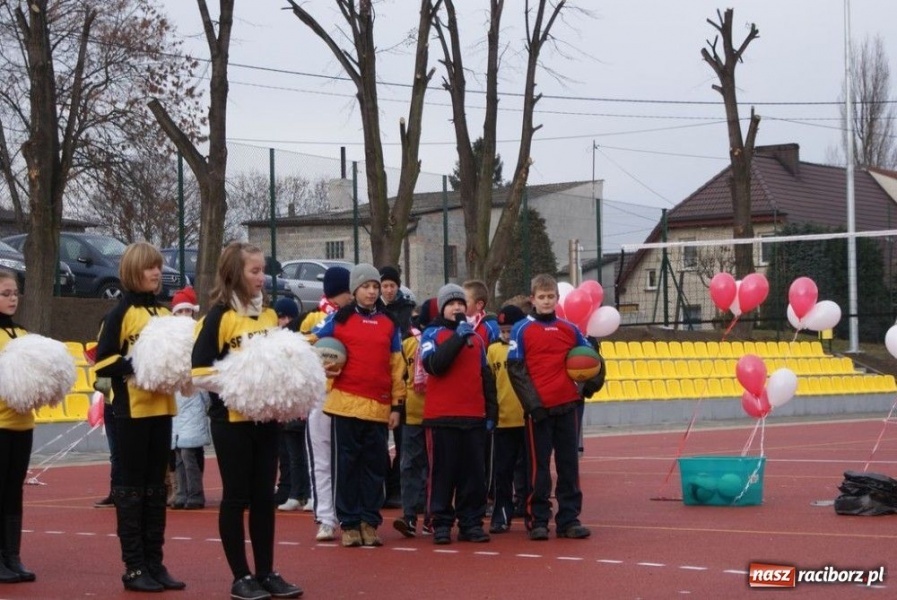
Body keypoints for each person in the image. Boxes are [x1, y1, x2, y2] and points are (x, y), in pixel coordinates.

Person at [192, 242, 302, 600]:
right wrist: (243, 383)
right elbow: (198, 372)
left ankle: (267, 571)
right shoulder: (219, 317)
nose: (262, 277)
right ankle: (241, 576)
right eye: (254, 271)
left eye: (262, 270)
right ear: (235, 274)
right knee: (236, 496)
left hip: (266, 421)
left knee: (263, 497)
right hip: (231, 421)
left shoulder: (269, 316)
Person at [94, 242, 185, 592]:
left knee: (155, 487)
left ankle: (155, 563)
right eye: (150, 267)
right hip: (130, 410)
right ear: (134, 271)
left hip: (163, 409)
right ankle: (133, 568)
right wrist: (140, 363)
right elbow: (103, 363)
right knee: (131, 490)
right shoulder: (118, 314)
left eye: (159, 267)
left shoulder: (165, 316)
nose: (157, 272)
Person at [311, 263, 404, 548]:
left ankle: (369, 521)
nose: (372, 291)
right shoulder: (338, 319)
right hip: (345, 406)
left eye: (376, 287)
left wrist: (397, 406)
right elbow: (313, 344)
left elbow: (396, 366)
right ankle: (349, 523)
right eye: (366, 287)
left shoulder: (390, 323)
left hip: (378, 407)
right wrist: (322, 366)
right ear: (355, 290)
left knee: (374, 467)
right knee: (347, 467)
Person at [506, 274, 603, 541]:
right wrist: (533, 405)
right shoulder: (521, 329)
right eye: (542, 297)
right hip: (539, 411)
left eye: (551, 297)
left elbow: (592, 360)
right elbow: (516, 370)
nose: (546, 301)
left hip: (567, 407)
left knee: (569, 465)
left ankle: (569, 519)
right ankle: (537, 519)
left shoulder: (570, 329)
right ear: (532, 299)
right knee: (538, 469)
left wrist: (589, 386)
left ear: (557, 300)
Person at [419, 284, 498, 545]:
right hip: (442, 418)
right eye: (452, 304)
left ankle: (471, 522)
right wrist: (456, 338)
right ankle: (440, 523)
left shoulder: (477, 340)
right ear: (443, 308)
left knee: (473, 475)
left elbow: (486, 379)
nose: (457, 308)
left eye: (461, 304)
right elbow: (435, 366)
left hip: (474, 417)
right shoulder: (431, 334)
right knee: (442, 474)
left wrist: (490, 414)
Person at [298, 266, 351, 542]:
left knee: (347, 460)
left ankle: (350, 516)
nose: (348, 298)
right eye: (344, 293)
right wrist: (316, 356)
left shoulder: (355, 318)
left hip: (348, 396)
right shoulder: (315, 319)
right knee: (320, 460)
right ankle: (326, 518)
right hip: (322, 396)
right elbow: (301, 345)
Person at [0, 270, 36, 584]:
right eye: (5, 293)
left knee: (14, 492)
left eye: (14, 293)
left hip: (23, 424)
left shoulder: (22, 334)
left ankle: (12, 556)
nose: (13, 298)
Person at [392, 298, 437, 538]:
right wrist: (397, 408)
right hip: (413, 413)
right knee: (409, 465)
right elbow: (400, 378)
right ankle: (409, 516)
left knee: (433, 468)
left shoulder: (442, 341)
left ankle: (431, 517)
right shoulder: (408, 344)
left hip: (436, 414)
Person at [486, 305, 527, 534]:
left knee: (530, 471)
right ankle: (502, 513)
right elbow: (490, 385)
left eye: (510, 330)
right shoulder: (492, 351)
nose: (506, 335)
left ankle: (530, 509)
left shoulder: (526, 348)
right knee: (502, 472)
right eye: (502, 330)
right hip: (503, 421)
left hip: (527, 419)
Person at [169, 288, 210, 511]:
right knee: (177, 452)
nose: (184, 314)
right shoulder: (168, 338)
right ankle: (182, 492)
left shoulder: (199, 333)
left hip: (193, 396)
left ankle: (195, 493)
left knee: (188, 451)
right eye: (180, 311)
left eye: (188, 310)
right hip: (176, 399)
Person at [379, 265, 415, 509]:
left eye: (393, 285)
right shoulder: (375, 311)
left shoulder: (407, 311)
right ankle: (383, 486)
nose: (389, 290)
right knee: (379, 440)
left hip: (402, 379)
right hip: (382, 380)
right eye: (385, 286)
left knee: (403, 441)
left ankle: (398, 488)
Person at [273, 298, 311, 513]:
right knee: (290, 455)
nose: (285, 322)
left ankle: (308, 493)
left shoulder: (300, 344)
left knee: (306, 454)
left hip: (300, 407)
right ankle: (294, 493)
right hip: (283, 408)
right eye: (281, 317)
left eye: (289, 317)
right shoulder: (273, 345)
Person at [462, 279, 500, 346]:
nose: (460, 305)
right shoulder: (459, 324)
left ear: (479, 305)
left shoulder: (492, 327)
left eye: (464, 301)